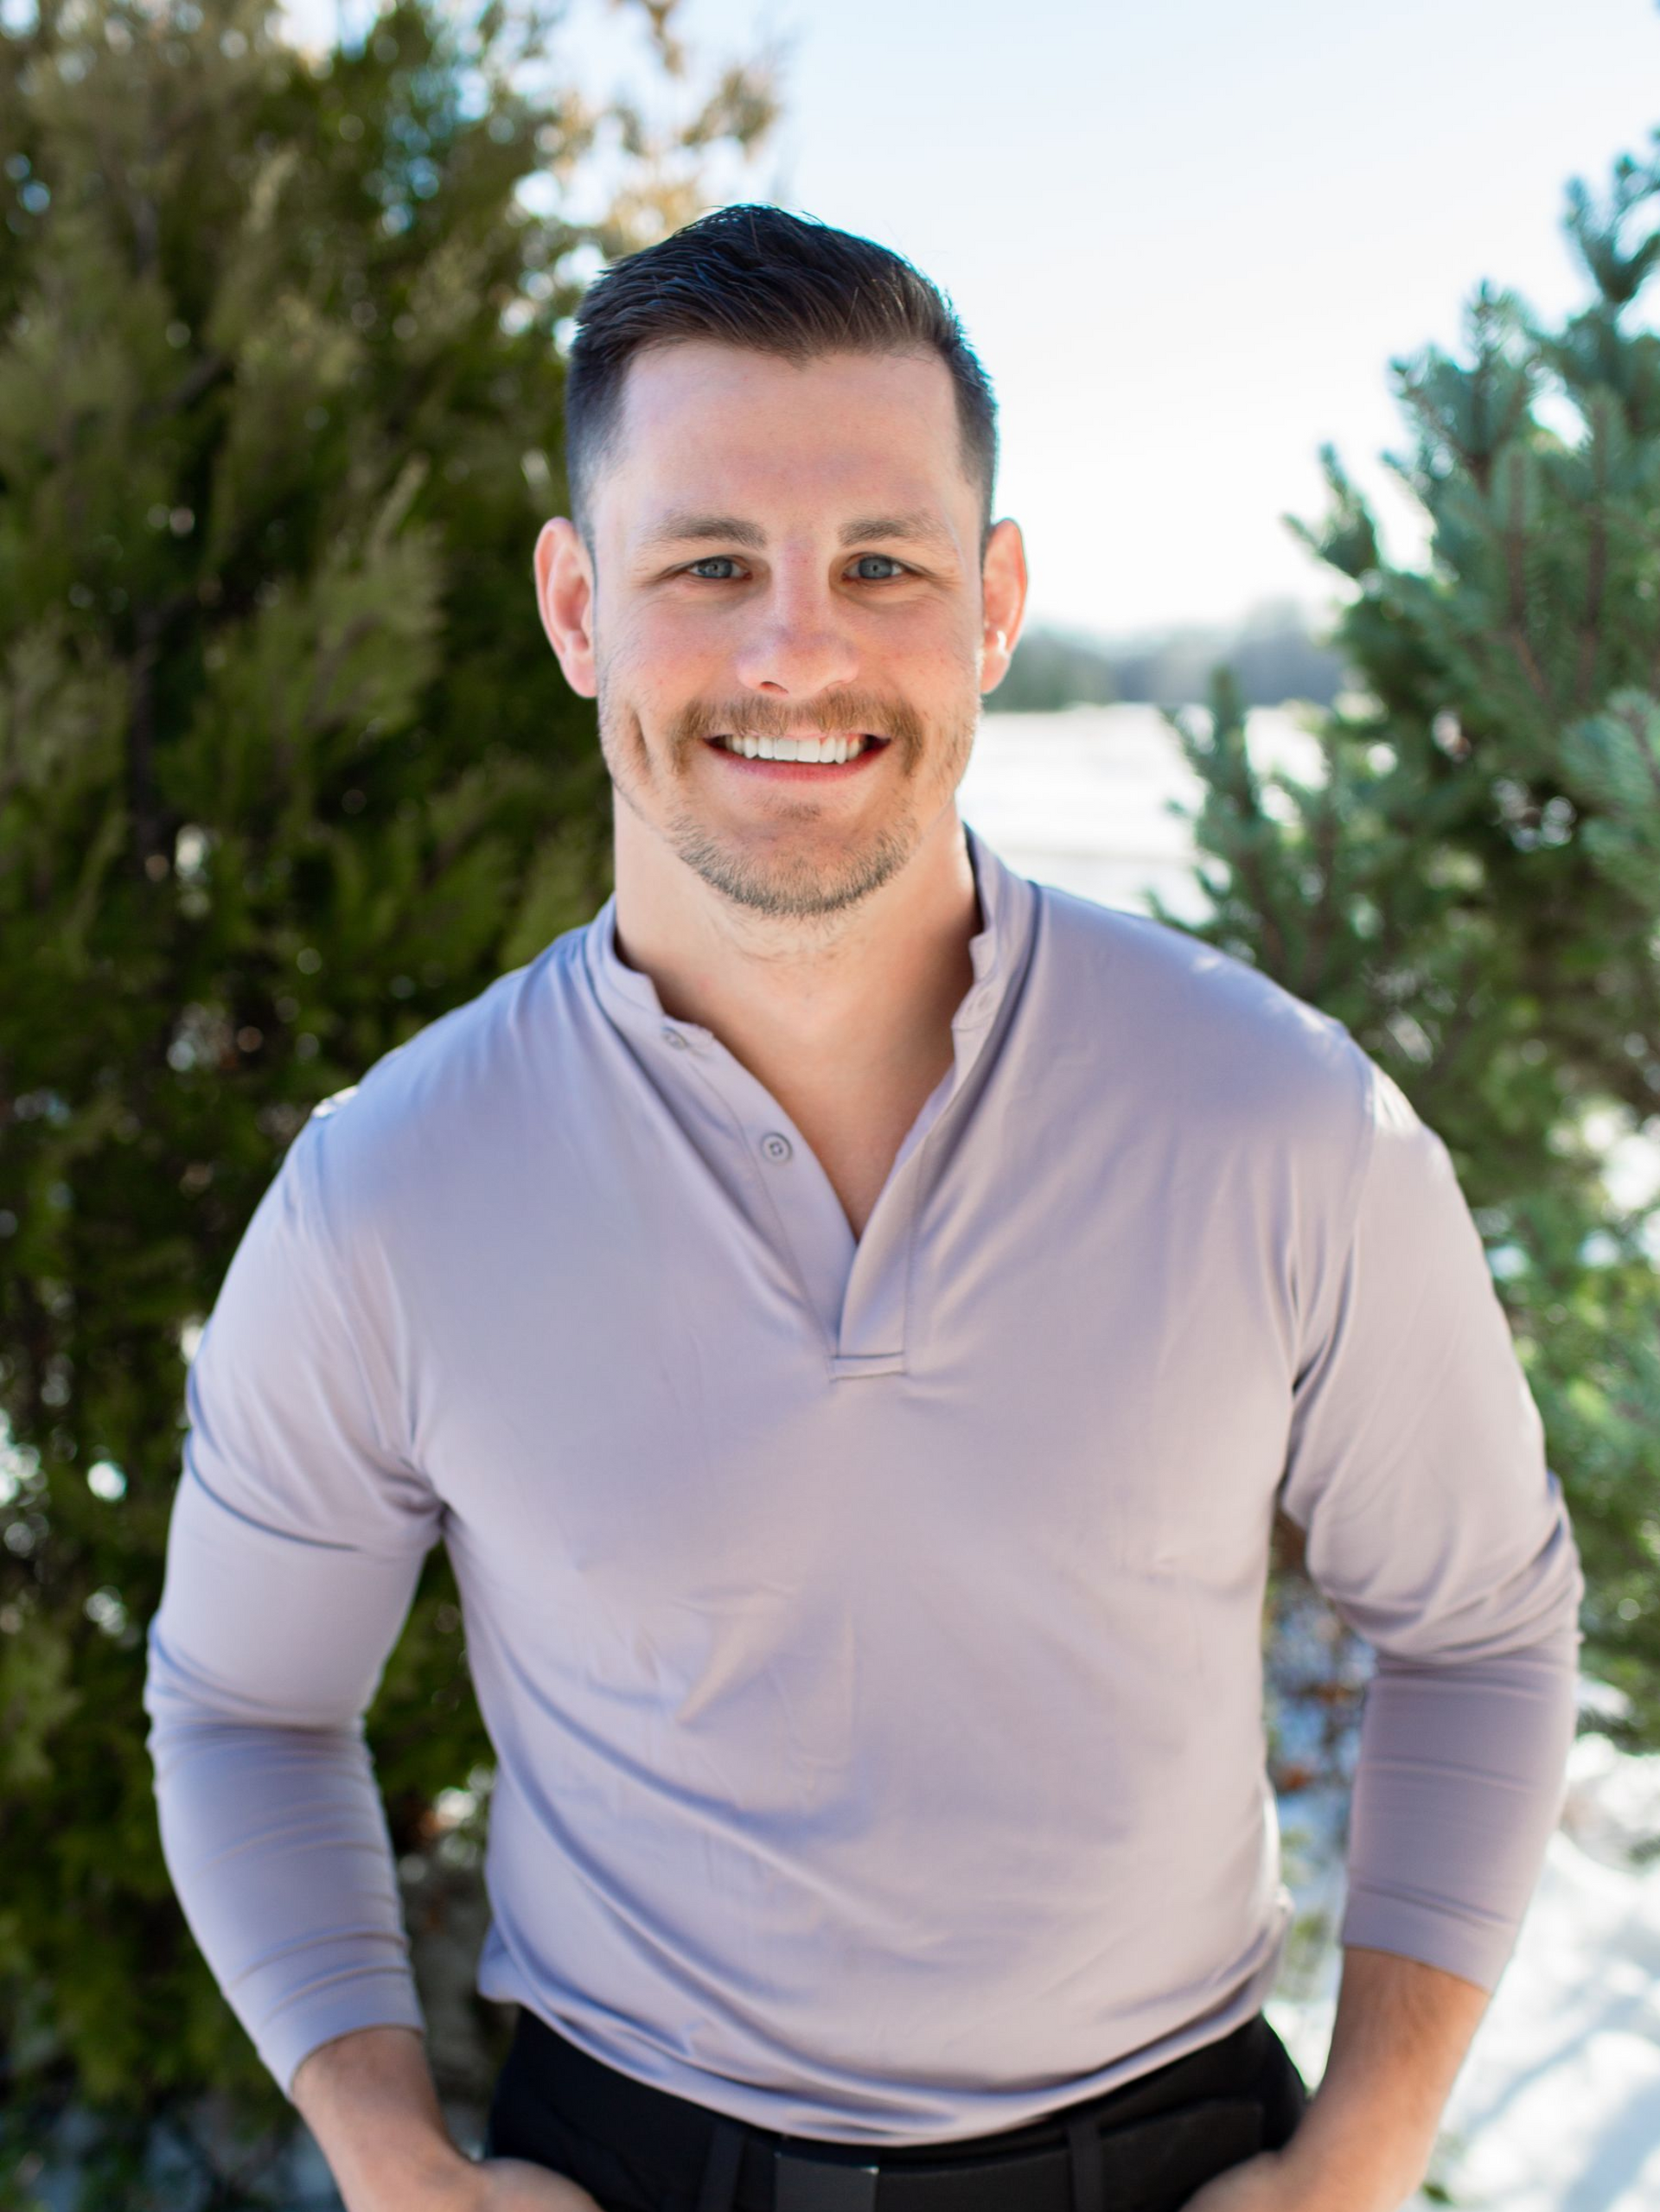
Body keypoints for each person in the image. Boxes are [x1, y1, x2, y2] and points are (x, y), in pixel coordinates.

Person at [144, 205, 1585, 2212]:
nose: (795, 648)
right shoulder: (385, 1195)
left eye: (880, 565)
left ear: (993, 604)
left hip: (1176, 2164)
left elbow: (1487, 1627)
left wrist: (1358, 2159)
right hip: (625, 2163)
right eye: (710, 561)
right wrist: (395, 2158)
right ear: (577, 606)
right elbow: (242, 1700)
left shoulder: (1282, 1123)